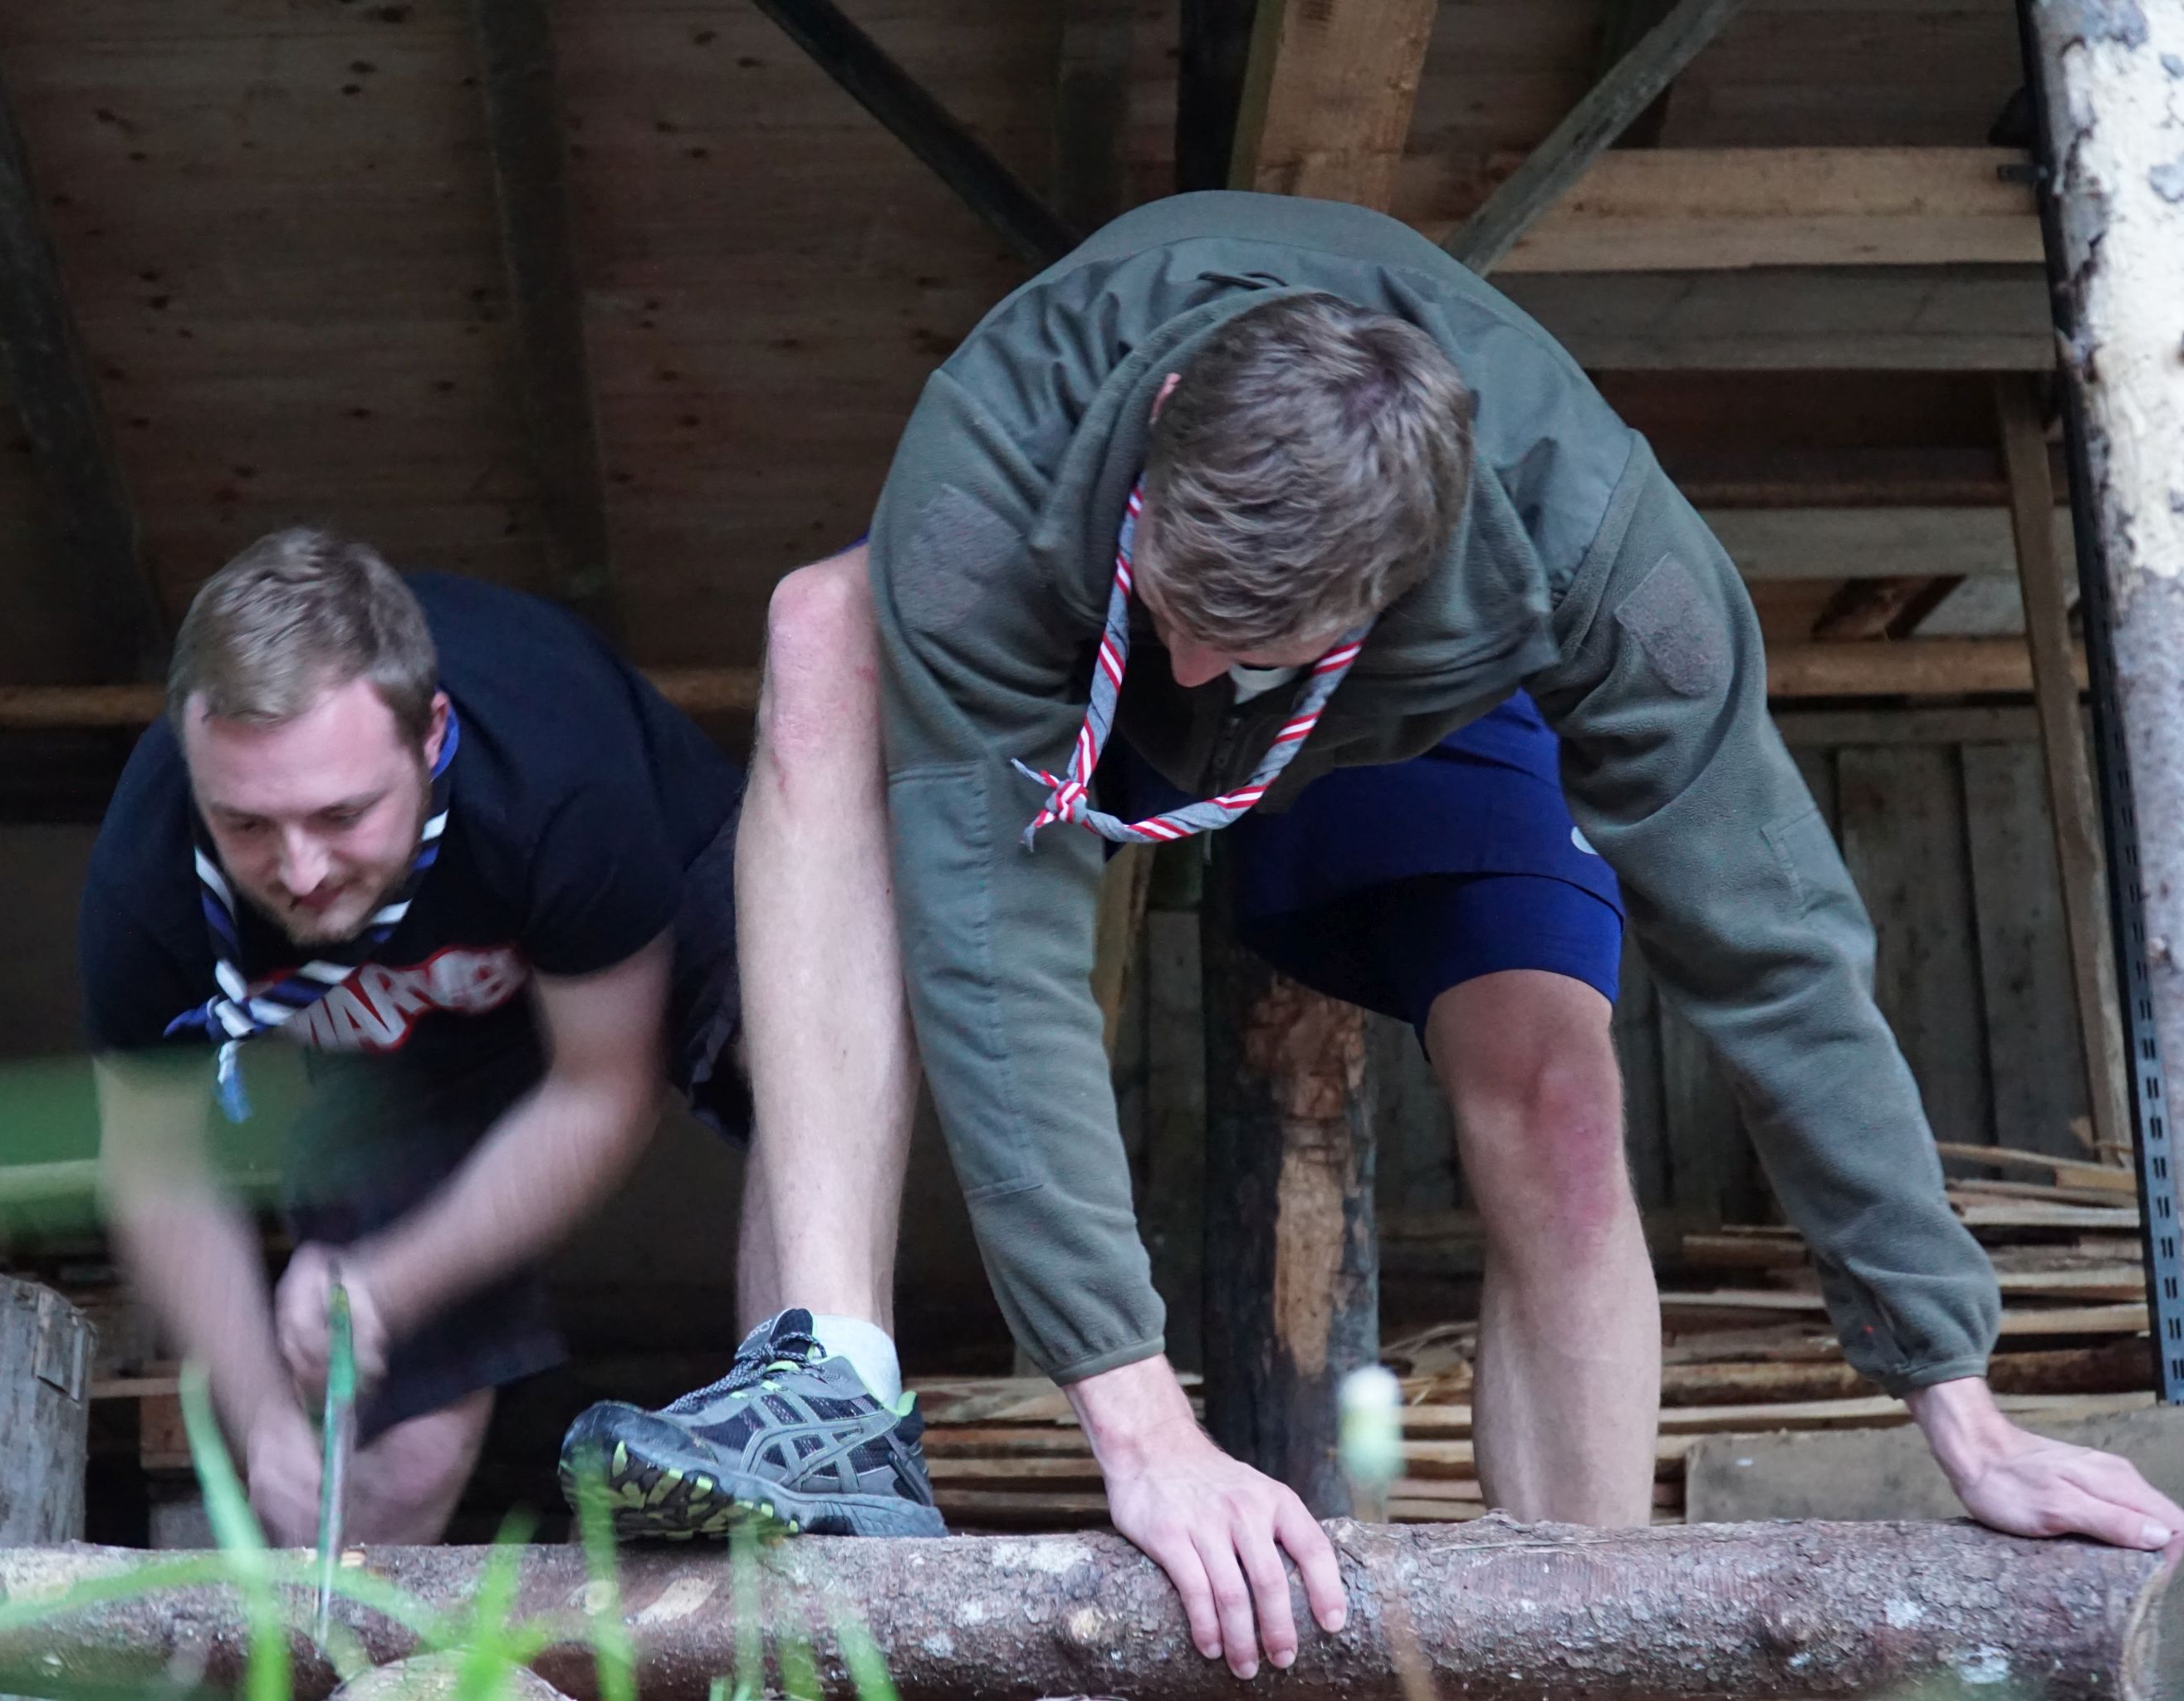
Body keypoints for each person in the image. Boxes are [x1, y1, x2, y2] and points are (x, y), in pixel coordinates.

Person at [562, 190, 2184, 1674]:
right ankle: (827, 1385)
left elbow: (1777, 944)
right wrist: (1142, 1425)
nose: (1198, 672)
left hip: (1399, 704)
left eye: (1240, 641)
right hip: (1072, 642)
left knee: (1559, 1097)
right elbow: (1002, 962)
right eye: (1189, 614)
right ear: (1167, 424)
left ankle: (1591, 1634)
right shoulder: (1000, 454)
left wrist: (1953, 1391)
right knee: (823, 629)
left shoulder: (1588, 546)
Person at [83, 527, 747, 1545]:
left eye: (341, 814)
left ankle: (816, 1410)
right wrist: (265, 1419)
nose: (301, 870)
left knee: (782, 1057)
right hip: (414, 1039)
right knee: (390, 1462)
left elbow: (603, 1088)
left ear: (431, 735)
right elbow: (155, 1166)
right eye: (249, 824)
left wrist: (382, 1284)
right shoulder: (149, 869)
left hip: (647, 908)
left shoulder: (556, 772)